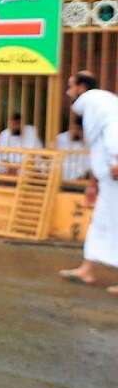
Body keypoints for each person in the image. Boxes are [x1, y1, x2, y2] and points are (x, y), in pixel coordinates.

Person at [59, 72, 118, 294]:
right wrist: (93, 182)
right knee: (102, 222)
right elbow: (99, 145)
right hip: (109, 178)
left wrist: (116, 158)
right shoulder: (99, 102)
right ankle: (87, 270)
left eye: (70, 86)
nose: (68, 92)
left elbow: (114, 128)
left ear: (81, 88)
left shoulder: (95, 101)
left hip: (116, 172)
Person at [56, 116, 91, 182]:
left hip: (81, 178)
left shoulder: (88, 142)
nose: (76, 131)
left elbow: (89, 163)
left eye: (79, 129)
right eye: (74, 128)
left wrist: (84, 140)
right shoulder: (60, 138)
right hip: (61, 175)